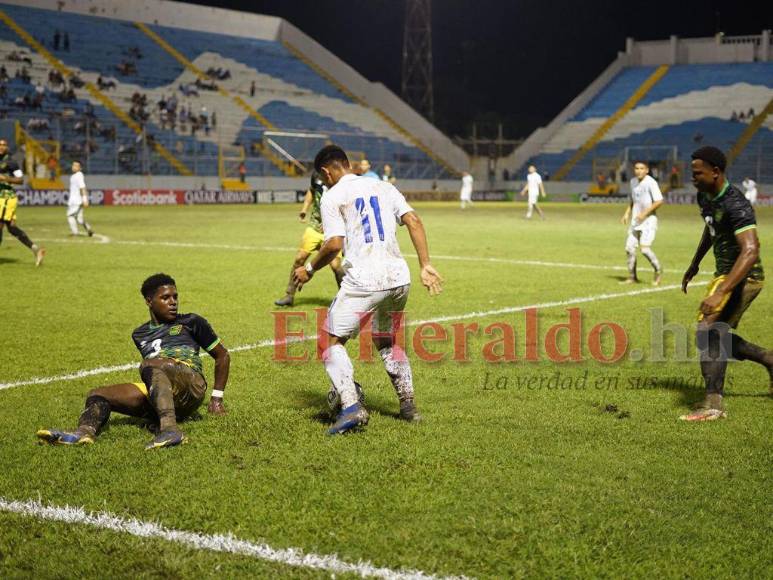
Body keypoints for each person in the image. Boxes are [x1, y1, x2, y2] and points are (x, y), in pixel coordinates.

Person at [293, 145, 443, 435]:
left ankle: (351, 406)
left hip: (365, 279)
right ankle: (408, 406)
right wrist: (425, 264)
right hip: (399, 278)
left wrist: (309, 269)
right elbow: (413, 220)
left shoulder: (333, 195)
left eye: (323, 180)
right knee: (387, 340)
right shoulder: (382, 186)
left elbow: (334, 244)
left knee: (328, 341)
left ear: (326, 172)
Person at [37, 273, 230, 448]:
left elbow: (222, 355)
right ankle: (83, 433)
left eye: (175, 297)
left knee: (151, 364)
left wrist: (216, 399)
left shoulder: (191, 322)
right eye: (165, 298)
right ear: (149, 301)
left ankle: (170, 430)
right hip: (163, 387)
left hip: (191, 385)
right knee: (98, 394)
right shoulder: (140, 334)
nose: (173, 302)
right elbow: (154, 376)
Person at [680, 146, 771, 421]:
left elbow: (750, 250)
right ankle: (767, 358)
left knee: (708, 331)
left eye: (698, 173)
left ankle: (713, 406)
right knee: (711, 334)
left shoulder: (736, 203)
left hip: (746, 275)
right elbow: (711, 229)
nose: (693, 177)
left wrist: (721, 291)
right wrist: (695, 263)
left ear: (716, 172)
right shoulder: (704, 196)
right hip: (725, 273)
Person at [275, 171, 344, 307]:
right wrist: (304, 209)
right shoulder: (317, 176)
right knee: (299, 259)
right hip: (314, 227)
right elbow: (311, 191)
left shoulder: (340, 182)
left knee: (336, 266)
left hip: (332, 231)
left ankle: (345, 301)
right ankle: (289, 295)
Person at [0, 139, 44, 266]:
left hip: (6, 198)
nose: (1, 147)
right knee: (12, 228)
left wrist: (5, 178)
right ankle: (36, 249)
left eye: (3, 145)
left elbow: (20, 180)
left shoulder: (11, 162)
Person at [620, 160, 663, 285]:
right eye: (637, 168)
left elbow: (659, 201)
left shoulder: (651, 183)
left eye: (642, 168)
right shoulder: (633, 182)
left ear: (647, 170)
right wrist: (627, 213)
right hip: (636, 221)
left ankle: (658, 270)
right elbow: (633, 200)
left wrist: (644, 214)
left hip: (649, 221)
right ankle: (632, 277)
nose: (639, 171)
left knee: (644, 249)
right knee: (629, 248)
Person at [67, 161, 94, 237]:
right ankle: (89, 229)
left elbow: (83, 188)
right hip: (73, 200)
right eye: (73, 165)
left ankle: (75, 232)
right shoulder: (73, 176)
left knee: (70, 216)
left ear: (80, 168)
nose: (73, 167)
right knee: (79, 219)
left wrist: (85, 200)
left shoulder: (79, 175)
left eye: (76, 166)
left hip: (76, 201)